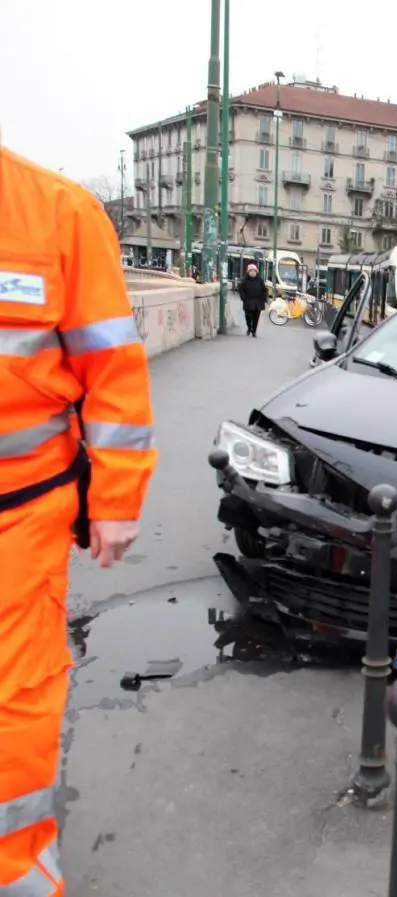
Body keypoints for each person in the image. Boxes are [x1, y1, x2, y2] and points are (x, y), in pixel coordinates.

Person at [0, 147, 157, 895]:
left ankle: (16, 870)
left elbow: (113, 368)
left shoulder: (57, 213)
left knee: (16, 696)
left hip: (20, 514)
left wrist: (116, 500)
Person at [238, 263, 268, 337]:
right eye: (251, 271)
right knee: (248, 316)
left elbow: (264, 289)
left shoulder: (260, 279)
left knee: (256, 318)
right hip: (248, 301)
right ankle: (249, 327)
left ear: (256, 272)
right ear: (248, 272)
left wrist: (264, 298)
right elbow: (241, 289)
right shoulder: (245, 280)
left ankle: (254, 331)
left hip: (258, 302)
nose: (252, 272)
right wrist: (243, 298)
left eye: (254, 271)